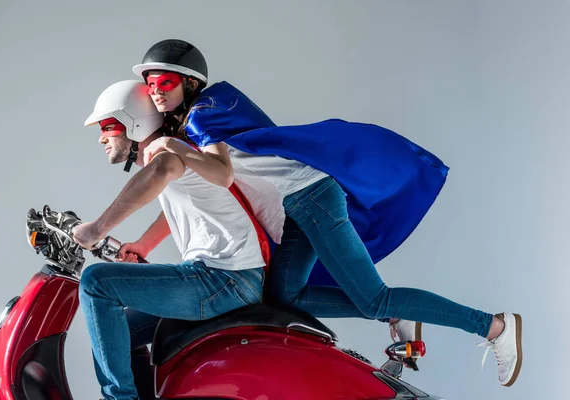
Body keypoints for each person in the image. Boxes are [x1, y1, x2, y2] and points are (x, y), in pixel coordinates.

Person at [132, 39, 523, 387]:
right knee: (284, 295)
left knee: (374, 298)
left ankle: (494, 326)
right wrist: (142, 244)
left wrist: (171, 144)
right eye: (150, 85)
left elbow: (221, 174)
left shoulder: (203, 116)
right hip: (294, 210)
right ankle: (396, 315)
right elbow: (192, 198)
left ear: (190, 82)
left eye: (164, 82)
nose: (156, 92)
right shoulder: (200, 118)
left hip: (310, 198)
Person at [72, 80, 269, 400]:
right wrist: (145, 244)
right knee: (113, 330)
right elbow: (184, 205)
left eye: (108, 126)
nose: (101, 137)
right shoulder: (181, 153)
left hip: (223, 280)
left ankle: (118, 398)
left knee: (97, 283)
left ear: (133, 122)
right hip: (225, 279)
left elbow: (159, 173)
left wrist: (97, 228)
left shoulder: (167, 151)